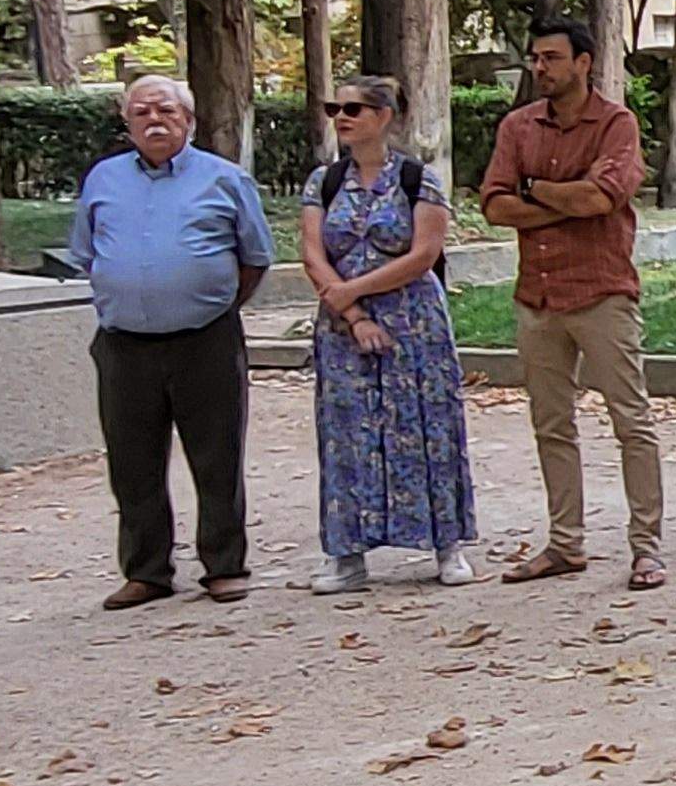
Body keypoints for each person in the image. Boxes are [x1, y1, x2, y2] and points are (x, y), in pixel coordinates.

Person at [477, 20, 666, 589]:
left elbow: (603, 196)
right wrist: (563, 199)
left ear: (584, 62)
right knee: (551, 424)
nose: (541, 68)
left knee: (631, 420)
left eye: (552, 58)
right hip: (537, 295)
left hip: (601, 290)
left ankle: (647, 548)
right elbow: (494, 205)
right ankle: (565, 543)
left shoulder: (615, 124)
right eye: (536, 58)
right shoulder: (518, 126)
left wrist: (533, 190)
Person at [73, 74, 272, 609]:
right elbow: (87, 253)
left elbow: (255, 258)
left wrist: (208, 301)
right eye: (141, 112)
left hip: (204, 340)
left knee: (216, 457)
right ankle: (147, 571)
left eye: (165, 110)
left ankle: (224, 566)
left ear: (189, 120)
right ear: (127, 123)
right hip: (124, 344)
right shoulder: (103, 179)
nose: (154, 120)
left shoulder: (225, 179)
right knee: (131, 461)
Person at [295, 76, 478, 593]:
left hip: (413, 323)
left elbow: (423, 255)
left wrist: (353, 288)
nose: (342, 117)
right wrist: (353, 312)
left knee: (427, 426)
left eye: (353, 108)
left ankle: (447, 543)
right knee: (347, 434)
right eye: (335, 108)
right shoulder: (323, 182)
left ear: (383, 116)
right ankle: (346, 553)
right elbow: (312, 253)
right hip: (343, 327)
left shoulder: (419, 180)